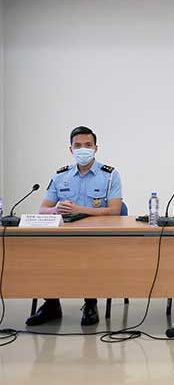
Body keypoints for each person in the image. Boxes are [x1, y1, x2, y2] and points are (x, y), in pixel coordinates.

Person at [26, 126, 123, 327]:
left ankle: (90, 303)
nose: (83, 149)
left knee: (87, 255)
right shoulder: (60, 176)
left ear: (96, 148)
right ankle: (51, 304)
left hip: (96, 238)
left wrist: (80, 209)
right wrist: (55, 210)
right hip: (63, 237)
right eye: (77, 146)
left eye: (88, 145)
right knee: (41, 254)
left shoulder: (110, 175)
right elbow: (42, 209)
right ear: (71, 149)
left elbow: (115, 210)